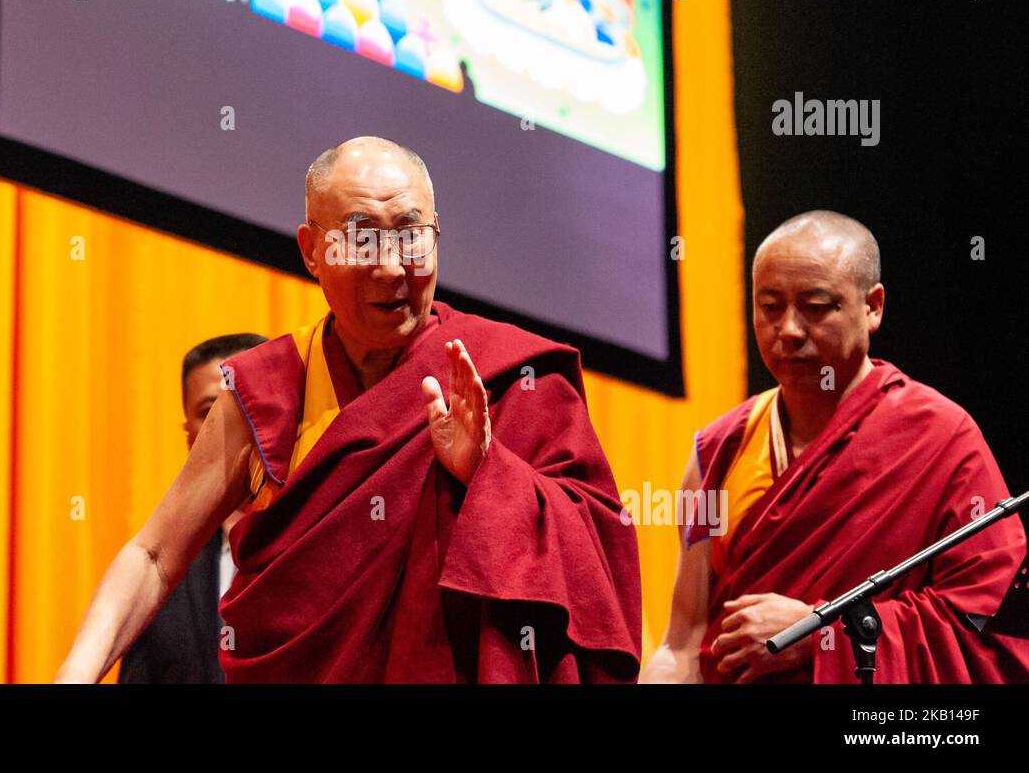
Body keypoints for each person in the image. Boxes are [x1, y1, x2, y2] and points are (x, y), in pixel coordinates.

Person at [57, 135, 640, 683]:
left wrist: (490, 474)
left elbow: (600, 557)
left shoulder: (507, 374)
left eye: (412, 235)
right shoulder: (268, 389)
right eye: (362, 238)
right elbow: (155, 555)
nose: (392, 267)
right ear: (312, 251)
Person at [642, 210, 1029, 683]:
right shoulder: (718, 453)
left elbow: (992, 626)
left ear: (873, 307)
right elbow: (682, 643)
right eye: (769, 306)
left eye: (816, 306)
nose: (788, 329)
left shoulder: (941, 439)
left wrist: (823, 633)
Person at [117, 333, 267, 683]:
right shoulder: (159, 573)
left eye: (248, 403)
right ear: (189, 432)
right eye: (209, 411)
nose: (229, 425)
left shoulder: (331, 539)